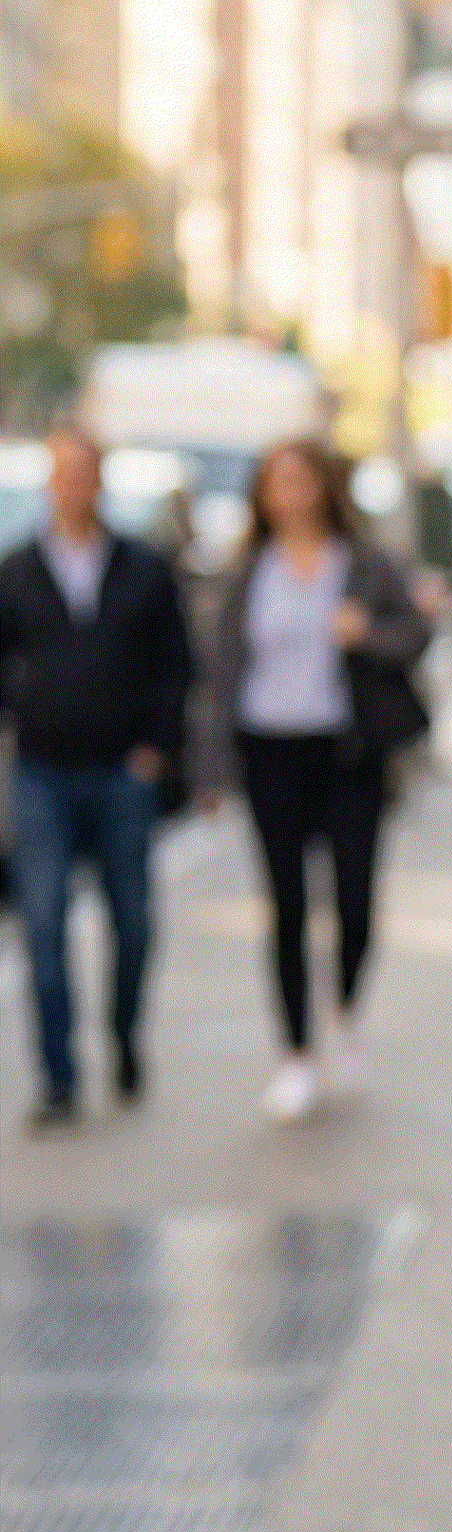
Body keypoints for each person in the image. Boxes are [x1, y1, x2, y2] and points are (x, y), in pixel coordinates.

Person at [200, 439, 432, 1125]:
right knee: (288, 908)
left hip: (348, 752)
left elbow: (416, 633)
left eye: (300, 479)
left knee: (356, 903)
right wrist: (211, 769)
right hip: (271, 750)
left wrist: (365, 632)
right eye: (276, 483)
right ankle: (297, 1055)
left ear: (323, 487)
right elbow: (219, 677)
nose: (289, 494)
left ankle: (346, 1005)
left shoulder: (363, 563)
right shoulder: (248, 572)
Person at [0, 427, 192, 1128]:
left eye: (84, 473)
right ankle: (58, 1075)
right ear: (49, 483)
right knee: (44, 924)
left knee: (133, 922)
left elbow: (177, 664)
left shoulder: (142, 567)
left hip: (122, 769)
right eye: (62, 474)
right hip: (43, 770)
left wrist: (157, 750)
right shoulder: (18, 570)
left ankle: (124, 1034)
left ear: (101, 481)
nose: (73, 486)